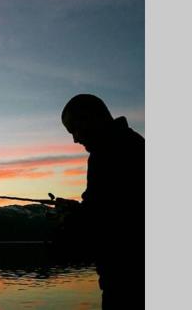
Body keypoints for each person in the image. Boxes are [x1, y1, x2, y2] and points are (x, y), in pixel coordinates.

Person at [58, 94, 144, 309]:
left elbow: (107, 219)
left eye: (74, 129)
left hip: (127, 278)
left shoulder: (109, 153)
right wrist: (77, 209)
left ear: (92, 118)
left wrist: (70, 219)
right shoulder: (132, 143)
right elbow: (107, 207)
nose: (75, 139)